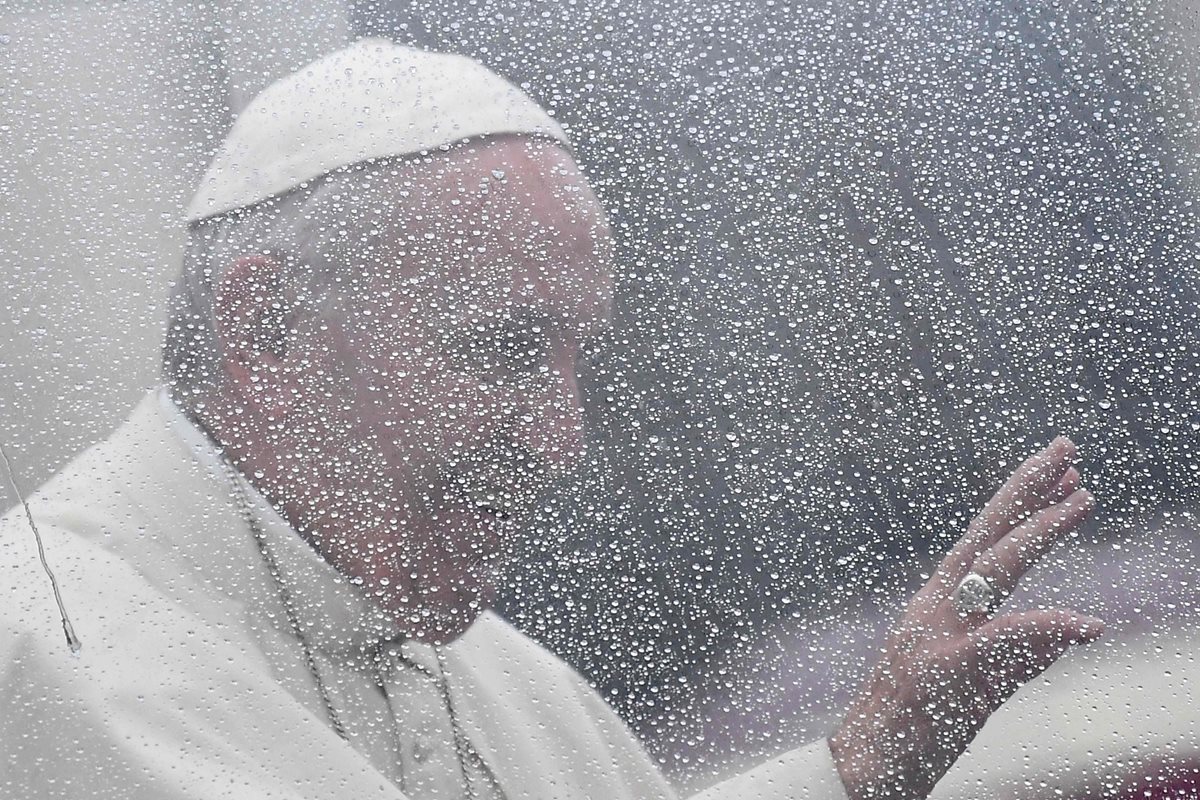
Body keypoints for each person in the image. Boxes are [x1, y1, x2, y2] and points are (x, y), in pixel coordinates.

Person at [0, 39, 1103, 800]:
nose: (560, 441)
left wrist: (855, 765)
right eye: (503, 347)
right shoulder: (48, 650)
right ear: (270, 329)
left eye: (581, 362)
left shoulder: (497, 675)